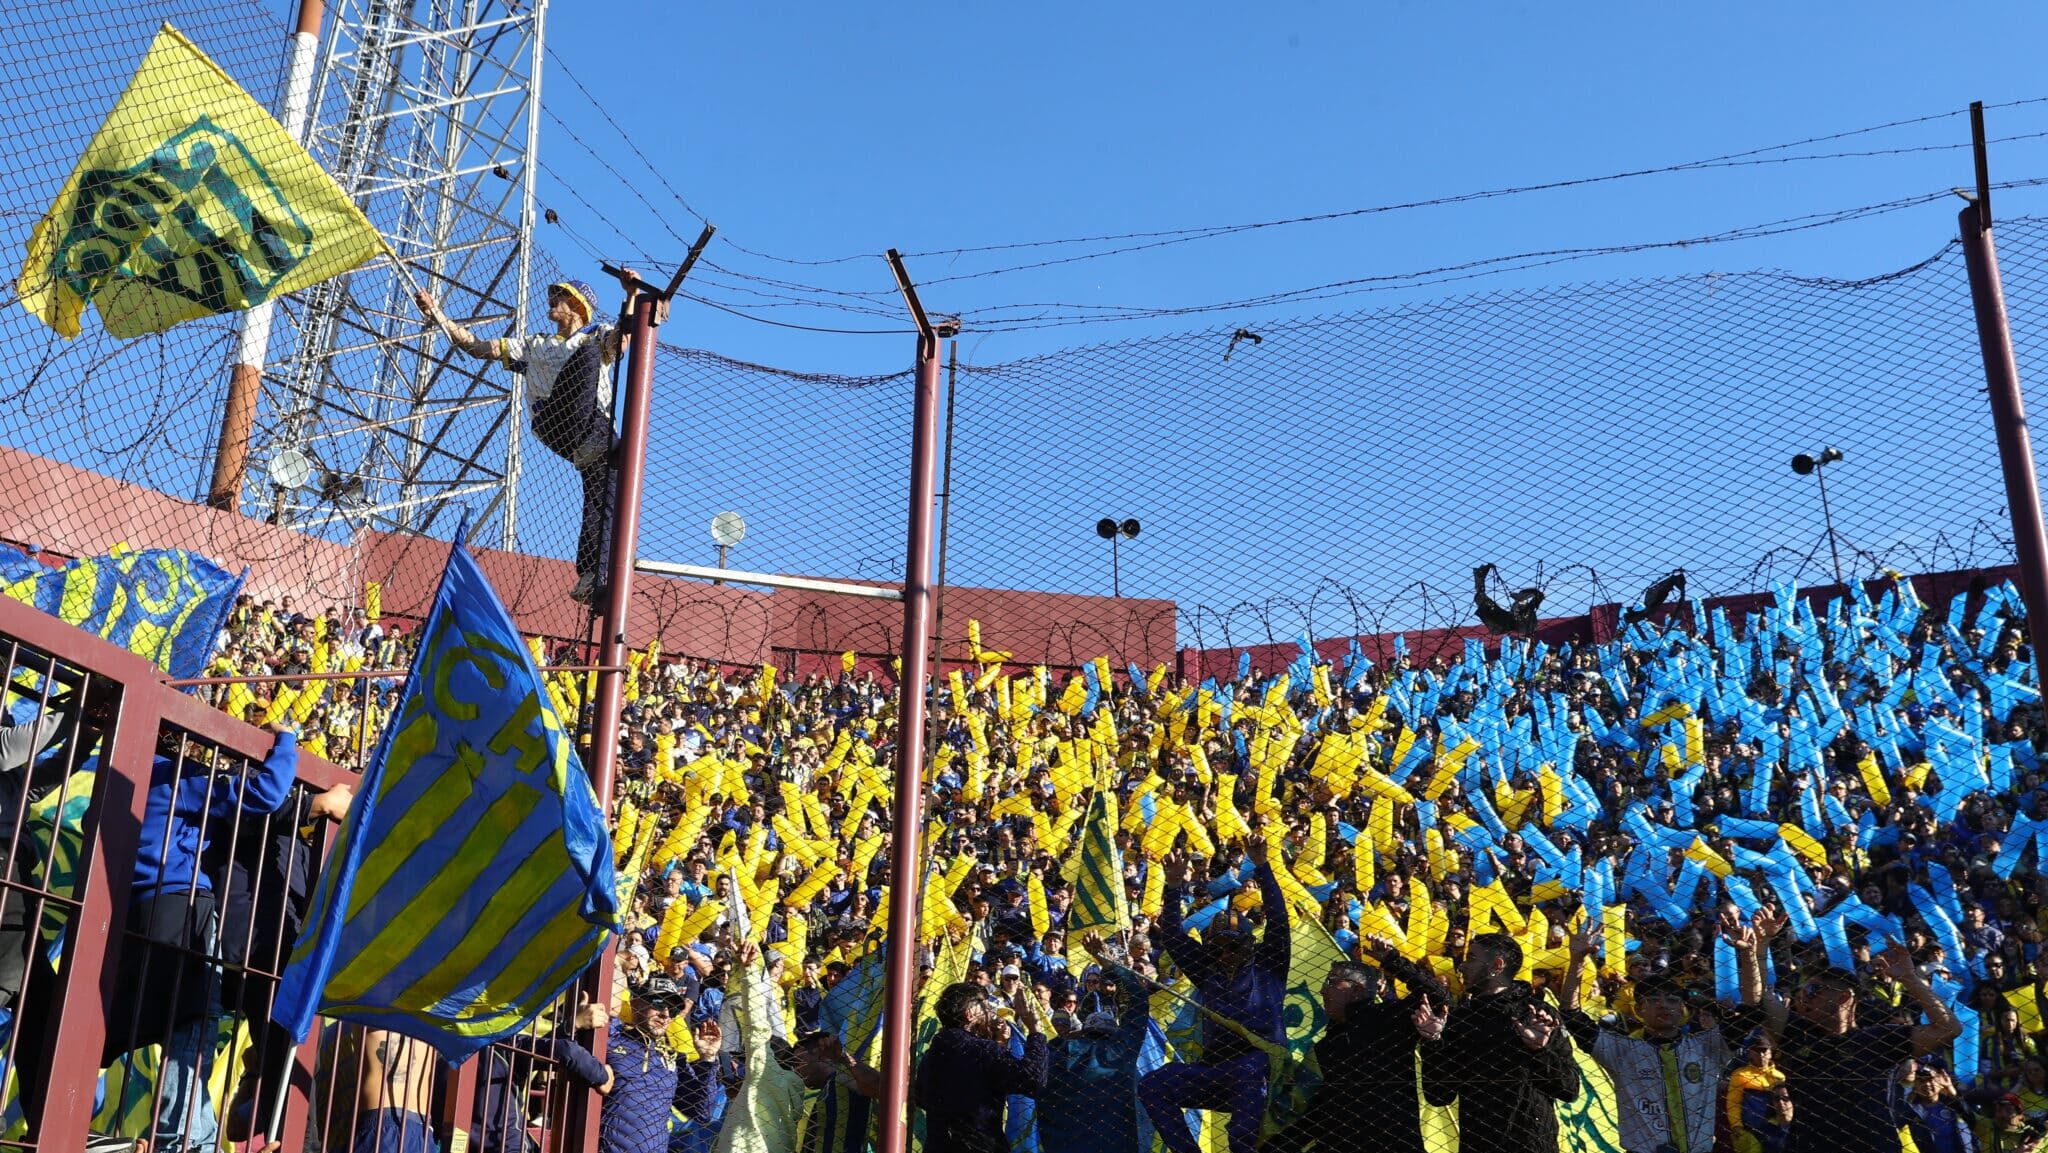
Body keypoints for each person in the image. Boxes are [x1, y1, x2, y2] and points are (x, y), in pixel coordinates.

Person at [413, 272, 662, 603]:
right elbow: (477, 347)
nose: (551, 300)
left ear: (578, 305)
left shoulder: (595, 333)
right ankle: (599, 446)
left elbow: (620, 343)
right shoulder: (534, 345)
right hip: (556, 420)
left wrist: (630, 296)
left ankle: (593, 575)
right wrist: (436, 313)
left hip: (590, 430)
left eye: (560, 296)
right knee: (589, 355)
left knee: (605, 498)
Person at [1138, 840, 1291, 1153]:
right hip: (1217, 1071)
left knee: (1249, 1073)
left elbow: (1278, 918)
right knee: (1153, 1084)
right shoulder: (1208, 970)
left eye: (1232, 946)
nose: (1224, 954)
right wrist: (1173, 887)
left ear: (1248, 943)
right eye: (1217, 947)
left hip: (1262, 1069)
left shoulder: (1270, 963)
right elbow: (1173, 937)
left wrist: (1262, 866)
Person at [1755, 935, 1960, 1153]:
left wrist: (1910, 978)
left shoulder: (1878, 1039)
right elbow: (1760, 999)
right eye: (1801, 992)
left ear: (1844, 998)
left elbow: (1948, 1029)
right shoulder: (1797, 1034)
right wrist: (1758, 947)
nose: (1803, 998)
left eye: (1813, 992)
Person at [1557, 919, 1744, 1153]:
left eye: (1672, 1000)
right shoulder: (1621, 1049)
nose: (1663, 1005)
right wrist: (1577, 961)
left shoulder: (1707, 1045)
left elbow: (1753, 1011)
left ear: (1683, 1010)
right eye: (1653, 1000)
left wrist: (1751, 954)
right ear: (1639, 1009)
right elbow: (1571, 1015)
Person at [1284, 938, 1450, 1153]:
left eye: (1332, 982)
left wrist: (1393, 960)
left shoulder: (1386, 1019)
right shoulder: (1326, 1045)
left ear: (1357, 989)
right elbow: (1318, 1111)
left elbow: (1436, 995)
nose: (1323, 991)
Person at [1420, 931, 1580, 1153]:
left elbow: (1569, 1089)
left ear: (1496, 965)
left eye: (1471, 958)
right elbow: (1438, 1095)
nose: (1462, 967)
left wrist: (1539, 1050)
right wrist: (1433, 1042)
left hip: (1531, 1145)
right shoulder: (1459, 1019)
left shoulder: (1538, 1014)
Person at [1034, 931, 1158, 1153]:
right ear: (1113, 1032)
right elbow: (1138, 1002)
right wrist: (1107, 962)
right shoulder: (1122, 1049)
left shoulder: (1058, 1053)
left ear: (1083, 1032)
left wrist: (1033, 1028)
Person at [914, 979, 1050, 1153]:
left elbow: (921, 1097)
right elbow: (1033, 1079)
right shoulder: (983, 1050)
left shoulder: (931, 1055)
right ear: (970, 1014)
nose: (990, 1012)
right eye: (986, 1006)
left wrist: (997, 1044)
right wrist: (1035, 1031)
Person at [603, 974, 689, 1153]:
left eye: (673, 1010)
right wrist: (574, 1024)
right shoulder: (611, 1038)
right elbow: (550, 1048)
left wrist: (708, 1059)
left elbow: (703, 1112)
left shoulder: (673, 1057)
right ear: (636, 1004)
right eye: (658, 1003)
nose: (665, 1014)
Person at [1724, 1030, 1790, 1153]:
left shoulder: (1779, 1077)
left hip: (1775, 1128)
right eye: (1756, 1051)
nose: (1761, 1054)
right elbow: (1733, 1102)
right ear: (1749, 1053)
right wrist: (1736, 1125)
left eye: (1764, 1050)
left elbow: (1786, 1104)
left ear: (1770, 1053)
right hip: (1749, 1129)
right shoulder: (1740, 1075)